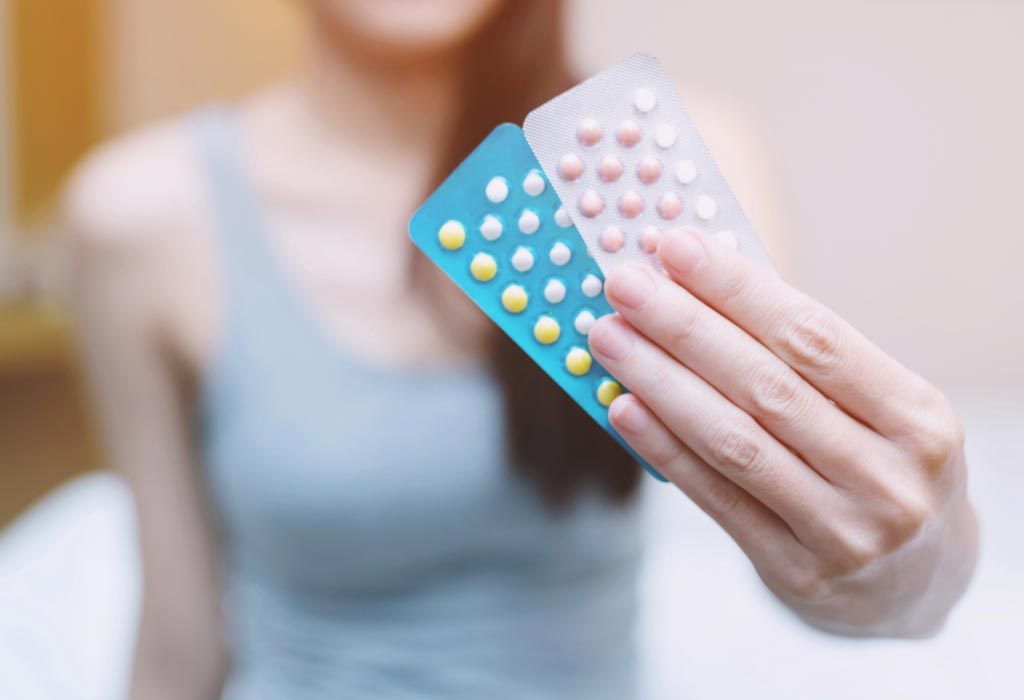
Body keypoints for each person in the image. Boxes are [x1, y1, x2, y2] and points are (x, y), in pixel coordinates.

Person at [65, 0, 978, 697]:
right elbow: (180, 639)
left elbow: (817, 554)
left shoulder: (666, 161)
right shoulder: (141, 218)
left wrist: (911, 571)